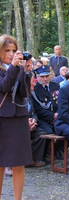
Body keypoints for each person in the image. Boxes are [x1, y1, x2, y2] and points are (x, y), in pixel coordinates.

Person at [0, 34, 33, 200]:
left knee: (19, 163)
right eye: (7, 50)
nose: (11, 53)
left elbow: (23, 92)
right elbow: (4, 86)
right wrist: (14, 67)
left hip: (19, 118)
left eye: (13, 50)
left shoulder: (18, 67)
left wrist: (26, 71)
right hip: (3, 119)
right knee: (0, 164)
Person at [28, 75, 47, 167]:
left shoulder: (30, 96)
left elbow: (34, 112)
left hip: (31, 124)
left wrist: (34, 120)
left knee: (41, 134)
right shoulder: (17, 97)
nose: (35, 84)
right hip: (19, 125)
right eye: (33, 82)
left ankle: (33, 159)